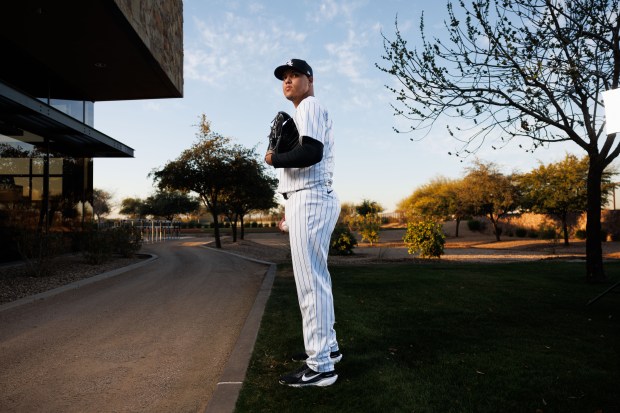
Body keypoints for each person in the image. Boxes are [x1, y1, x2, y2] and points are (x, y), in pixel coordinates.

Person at [265, 58, 342, 387]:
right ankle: (329, 349)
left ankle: (321, 366)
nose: (288, 80)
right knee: (317, 279)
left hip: (311, 198)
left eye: (295, 75)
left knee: (311, 284)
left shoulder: (309, 105)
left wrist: (273, 159)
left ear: (309, 80)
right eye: (284, 76)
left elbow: (311, 153)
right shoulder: (306, 111)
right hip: (308, 196)